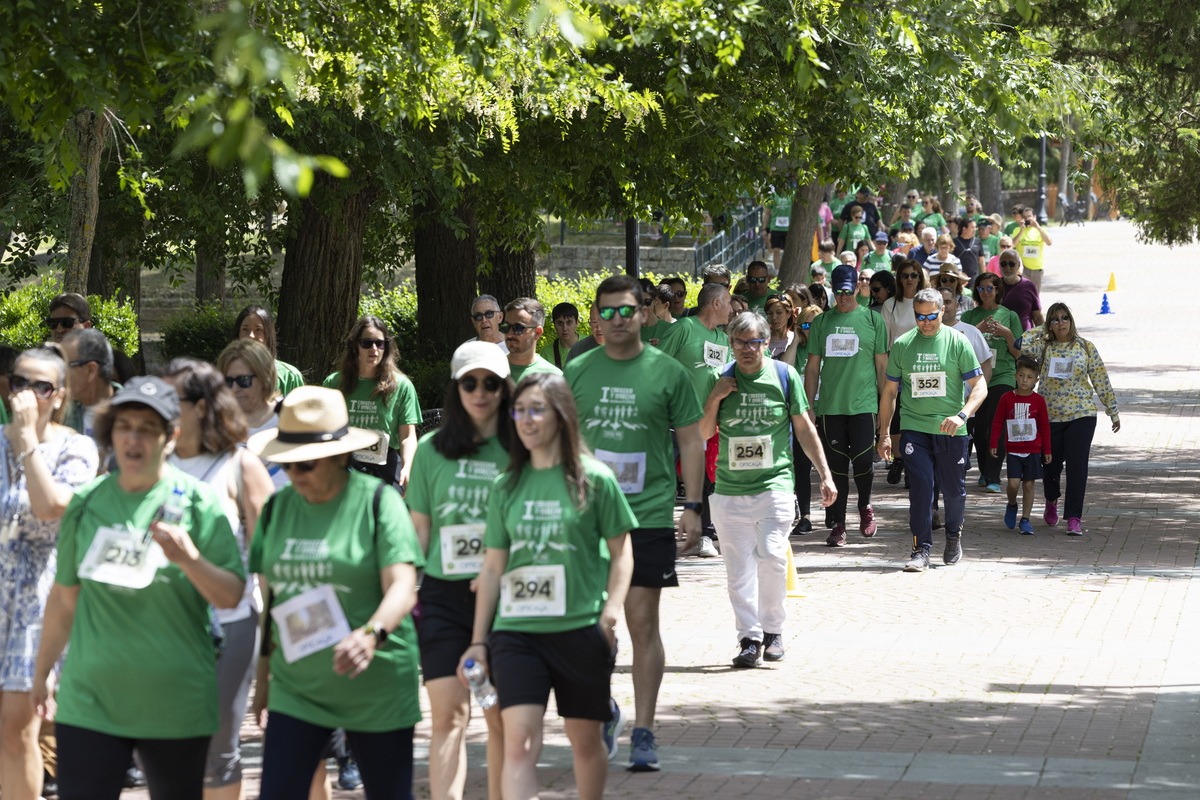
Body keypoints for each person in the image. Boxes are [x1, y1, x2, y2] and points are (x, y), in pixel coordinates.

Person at [33, 377, 245, 799]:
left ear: (171, 437)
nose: (133, 438)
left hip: (175, 705)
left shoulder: (200, 504)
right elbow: (63, 600)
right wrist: (41, 674)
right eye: (123, 425)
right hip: (90, 703)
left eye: (147, 428)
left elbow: (231, 595)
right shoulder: (86, 503)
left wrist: (190, 560)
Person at [457, 373, 634, 800]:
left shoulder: (595, 479)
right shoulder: (506, 485)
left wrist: (610, 614)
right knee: (518, 743)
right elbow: (493, 567)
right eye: (519, 410)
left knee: (585, 741)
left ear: (562, 414)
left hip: (580, 630)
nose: (526, 419)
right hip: (517, 633)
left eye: (537, 409)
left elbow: (623, 552)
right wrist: (479, 641)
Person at [246, 386, 423, 798]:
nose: (294, 475)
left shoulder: (379, 503)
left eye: (305, 464)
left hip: (376, 684)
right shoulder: (275, 510)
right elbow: (271, 601)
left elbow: (402, 586)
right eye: (285, 464)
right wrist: (264, 680)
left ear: (339, 455)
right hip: (298, 688)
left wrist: (372, 633)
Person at [564, 275, 705, 772]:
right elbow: (565, 440)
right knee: (588, 625)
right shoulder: (577, 370)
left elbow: (691, 440)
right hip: (587, 517)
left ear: (645, 312)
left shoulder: (667, 371)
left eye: (628, 310)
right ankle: (603, 710)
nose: (618, 319)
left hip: (645, 515)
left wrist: (693, 507)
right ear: (596, 317)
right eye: (608, 312)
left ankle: (644, 729)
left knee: (642, 622)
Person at [161, 359, 275, 800]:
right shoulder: (150, 463)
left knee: (217, 748)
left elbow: (269, 561)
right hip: (163, 625)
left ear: (203, 405)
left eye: (174, 400)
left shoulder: (240, 465)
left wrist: (273, 648)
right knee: (164, 744)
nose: (162, 409)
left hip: (228, 624)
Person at [700, 311, 835, 667]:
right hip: (729, 490)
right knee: (739, 569)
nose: (748, 349)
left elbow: (804, 429)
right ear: (731, 344)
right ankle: (749, 639)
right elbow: (702, 432)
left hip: (774, 485)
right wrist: (715, 396)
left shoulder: (784, 375)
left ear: (766, 342)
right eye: (740, 342)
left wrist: (825, 473)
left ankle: (774, 632)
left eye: (755, 342)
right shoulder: (719, 377)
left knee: (772, 556)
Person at [407, 343, 511, 800]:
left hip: (505, 601)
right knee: (448, 716)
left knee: (499, 716)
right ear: (456, 388)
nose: (480, 391)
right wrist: (406, 593)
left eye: (491, 382)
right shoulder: (430, 452)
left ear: (505, 388)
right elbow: (419, 534)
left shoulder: (522, 449)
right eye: (470, 382)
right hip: (444, 599)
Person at [0, 345, 98, 800]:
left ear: (58, 396)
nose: (25, 395)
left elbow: (49, 507)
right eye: (18, 383)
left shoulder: (77, 447)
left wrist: (25, 443)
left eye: (39, 387)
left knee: (19, 730)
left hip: (36, 608)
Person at [877, 289, 988, 572]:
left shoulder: (957, 341)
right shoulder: (902, 345)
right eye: (919, 317)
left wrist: (962, 415)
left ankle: (953, 536)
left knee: (953, 491)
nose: (925, 322)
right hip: (915, 428)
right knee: (922, 489)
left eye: (931, 316)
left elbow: (980, 386)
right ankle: (921, 550)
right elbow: (889, 392)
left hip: (951, 429)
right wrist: (885, 433)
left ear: (942, 312)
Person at [1017, 303, 1120, 535]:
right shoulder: (1043, 346)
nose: (1061, 323)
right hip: (1050, 417)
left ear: (1071, 320)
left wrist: (1112, 410)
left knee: (1077, 467)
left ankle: (1074, 517)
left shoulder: (1086, 347)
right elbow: (1019, 344)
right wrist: (1042, 328)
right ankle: (1051, 499)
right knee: (1051, 466)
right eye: (1055, 320)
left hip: (1081, 415)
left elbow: (1100, 378)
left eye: (1064, 318)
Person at [804, 266, 888, 545]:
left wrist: (883, 408)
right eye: (837, 291)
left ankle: (864, 505)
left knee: (864, 461)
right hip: (831, 406)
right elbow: (813, 368)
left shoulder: (873, 320)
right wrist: (809, 406)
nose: (842, 296)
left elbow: (881, 367)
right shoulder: (822, 322)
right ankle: (838, 524)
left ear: (856, 288)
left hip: (864, 404)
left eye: (847, 291)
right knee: (837, 467)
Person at [656, 282, 733, 560]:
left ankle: (704, 534)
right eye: (727, 302)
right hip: (671, 421)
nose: (731, 308)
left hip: (705, 422)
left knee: (702, 481)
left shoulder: (723, 338)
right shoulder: (684, 328)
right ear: (715, 304)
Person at [322, 316, 421, 492]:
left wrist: (407, 467)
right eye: (366, 343)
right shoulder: (334, 383)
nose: (373, 349)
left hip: (385, 467)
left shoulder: (402, 386)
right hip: (343, 466)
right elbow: (323, 430)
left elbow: (407, 436)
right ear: (355, 346)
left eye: (379, 343)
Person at [960, 272, 1024, 493]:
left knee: (997, 424)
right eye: (981, 288)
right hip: (975, 377)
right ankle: (986, 470)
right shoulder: (969, 316)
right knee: (980, 427)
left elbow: (1018, 353)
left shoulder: (1010, 316)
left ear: (998, 290)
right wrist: (978, 330)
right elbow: (960, 344)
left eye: (990, 288)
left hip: (1002, 376)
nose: (986, 292)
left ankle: (993, 475)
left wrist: (1006, 333)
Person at [990, 357, 1052, 535]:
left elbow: (1044, 427)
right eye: (1022, 376)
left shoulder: (1039, 401)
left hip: (1033, 449)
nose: (1025, 380)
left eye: (1030, 377)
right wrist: (994, 442)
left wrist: (1046, 449)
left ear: (1036, 380)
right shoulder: (1007, 398)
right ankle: (1011, 504)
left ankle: (1025, 519)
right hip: (1014, 450)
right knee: (1013, 484)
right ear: (1015, 376)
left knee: (1029, 485)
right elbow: (997, 422)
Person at [779, 305, 822, 535]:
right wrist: (795, 340)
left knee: (832, 465)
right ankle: (805, 516)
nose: (810, 330)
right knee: (802, 466)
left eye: (815, 325)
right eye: (806, 325)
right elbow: (784, 368)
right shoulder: (800, 349)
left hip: (827, 411)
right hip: (802, 415)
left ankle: (835, 515)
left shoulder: (829, 348)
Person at [45, 293, 136, 383]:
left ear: (86, 326)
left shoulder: (110, 363)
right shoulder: (43, 364)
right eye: (53, 323)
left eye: (67, 323)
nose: (59, 329)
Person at [231, 305, 306, 396]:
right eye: (245, 329)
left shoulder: (289, 376)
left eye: (258, 329)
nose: (251, 335)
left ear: (268, 335)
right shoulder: (226, 373)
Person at [61, 328, 120, 440]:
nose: (58, 373)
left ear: (90, 371)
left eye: (64, 366)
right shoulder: (59, 412)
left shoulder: (134, 411)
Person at [503, 298, 562, 383]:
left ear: (537, 333)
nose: (510, 334)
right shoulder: (490, 368)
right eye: (506, 327)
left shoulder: (554, 378)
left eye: (518, 328)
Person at [997, 250, 1044, 331]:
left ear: (1018, 265)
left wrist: (1045, 338)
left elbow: (1037, 317)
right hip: (1000, 339)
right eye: (1003, 264)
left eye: (1011, 264)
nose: (1007, 268)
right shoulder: (994, 286)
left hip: (1026, 339)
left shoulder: (1029, 286)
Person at [1012, 205, 1053, 292]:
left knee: (1035, 294)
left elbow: (1049, 242)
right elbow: (1012, 245)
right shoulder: (1017, 230)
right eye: (1025, 217)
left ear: (1034, 217)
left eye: (1029, 217)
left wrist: (1037, 227)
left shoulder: (1040, 230)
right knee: (1022, 293)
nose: (1027, 219)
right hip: (1023, 268)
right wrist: (1021, 230)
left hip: (1036, 268)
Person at [538, 303, 580, 370]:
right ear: (554, 325)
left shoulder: (590, 344)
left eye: (569, 322)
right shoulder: (547, 352)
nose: (565, 328)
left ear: (577, 323)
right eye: (560, 323)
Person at [763, 188, 793, 270]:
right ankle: (777, 272)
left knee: (788, 251)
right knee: (776, 250)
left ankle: (788, 270)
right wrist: (764, 228)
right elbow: (767, 213)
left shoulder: (792, 194)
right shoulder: (771, 197)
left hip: (788, 229)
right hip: (776, 228)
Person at [764, 293, 795, 359]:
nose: (774, 317)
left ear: (789, 313)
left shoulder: (795, 338)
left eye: (779, 313)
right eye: (770, 313)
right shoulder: (763, 339)